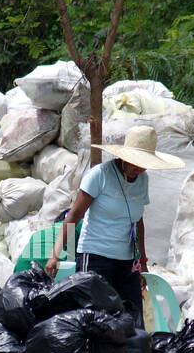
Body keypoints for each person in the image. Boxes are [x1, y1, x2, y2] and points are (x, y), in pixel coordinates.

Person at [45, 124, 183, 326]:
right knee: (95, 319)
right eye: (135, 163)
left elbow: (138, 222)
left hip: (126, 262)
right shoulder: (99, 175)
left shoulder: (142, 179)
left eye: (143, 164)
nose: (138, 168)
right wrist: (55, 254)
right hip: (95, 256)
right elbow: (74, 215)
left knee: (133, 320)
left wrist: (142, 263)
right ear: (124, 157)